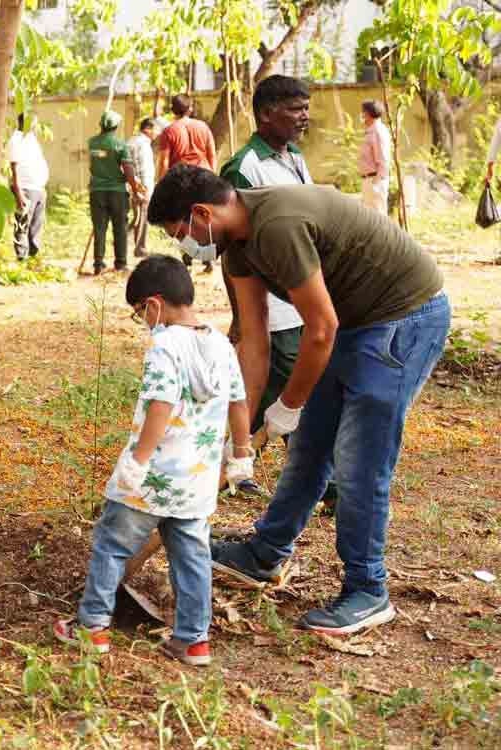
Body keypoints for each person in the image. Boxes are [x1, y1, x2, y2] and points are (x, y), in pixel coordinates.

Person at [147, 165, 450, 635]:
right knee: (309, 447)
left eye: (182, 232)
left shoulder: (278, 226)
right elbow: (254, 341)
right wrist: (240, 435)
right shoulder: (238, 248)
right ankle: (263, 554)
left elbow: (320, 328)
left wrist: (287, 407)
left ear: (203, 212)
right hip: (352, 323)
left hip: (403, 318)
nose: (185, 243)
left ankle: (368, 590)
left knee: (358, 461)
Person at [54, 255, 253, 666]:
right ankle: (193, 640)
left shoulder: (164, 346)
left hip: (152, 479)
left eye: (140, 312)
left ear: (155, 304)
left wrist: (137, 463)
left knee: (111, 546)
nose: (143, 321)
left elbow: (161, 405)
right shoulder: (220, 343)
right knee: (193, 559)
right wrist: (240, 453)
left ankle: (92, 628)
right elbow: (238, 403)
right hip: (195, 485)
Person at [218, 74, 311, 498]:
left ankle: (230, 464)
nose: (304, 117)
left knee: (276, 388)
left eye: (305, 108)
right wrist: (241, 313)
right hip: (270, 303)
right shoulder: (244, 167)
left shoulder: (293, 157)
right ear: (266, 113)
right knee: (287, 386)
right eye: (295, 109)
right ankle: (319, 481)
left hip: (301, 295)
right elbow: (229, 245)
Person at [155, 94, 219, 273]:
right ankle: (207, 260)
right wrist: (212, 177)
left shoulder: (169, 131)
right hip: (203, 177)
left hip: (180, 181)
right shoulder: (203, 127)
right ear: (190, 109)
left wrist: (161, 184)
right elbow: (212, 154)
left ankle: (189, 256)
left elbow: (164, 162)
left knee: (182, 221)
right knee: (204, 219)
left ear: (172, 110)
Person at [87, 110, 140, 274]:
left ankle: (98, 264)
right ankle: (121, 263)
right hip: (117, 192)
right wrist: (135, 188)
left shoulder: (92, 143)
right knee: (120, 228)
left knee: (99, 228)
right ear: (116, 126)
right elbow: (128, 169)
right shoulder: (120, 145)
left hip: (97, 191)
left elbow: (97, 160)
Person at [8, 112, 50, 261]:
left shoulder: (32, 139)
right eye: (33, 123)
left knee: (36, 226)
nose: (35, 126)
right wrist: (18, 192)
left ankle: (33, 257)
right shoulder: (16, 140)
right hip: (25, 189)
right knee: (22, 225)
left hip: (38, 189)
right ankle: (22, 259)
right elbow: (13, 168)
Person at [126, 119, 157, 258]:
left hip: (133, 185)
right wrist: (144, 189)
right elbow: (143, 168)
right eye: (155, 130)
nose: (157, 133)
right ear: (148, 129)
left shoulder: (132, 141)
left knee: (138, 217)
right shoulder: (143, 144)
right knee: (142, 216)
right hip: (141, 186)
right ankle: (139, 247)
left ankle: (128, 243)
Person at [358, 100, 393, 214]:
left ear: (368, 114)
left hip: (375, 180)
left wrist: (376, 183)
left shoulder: (378, 131)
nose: (362, 115)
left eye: (363, 112)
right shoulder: (370, 131)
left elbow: (384, 160)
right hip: (368, 179)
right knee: (370, 218)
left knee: (378, 217)